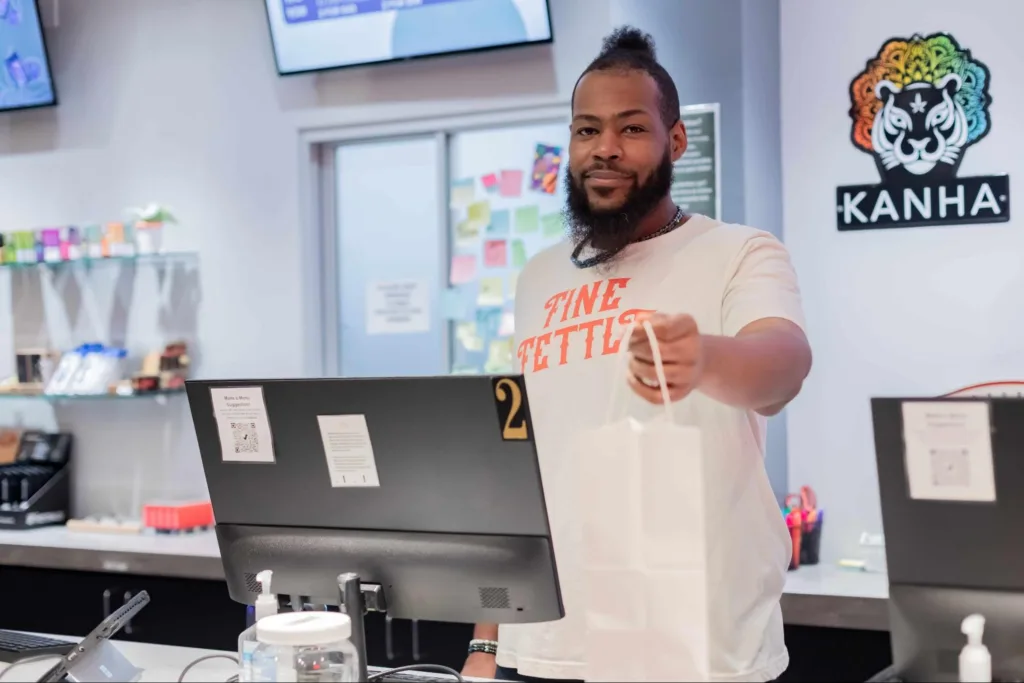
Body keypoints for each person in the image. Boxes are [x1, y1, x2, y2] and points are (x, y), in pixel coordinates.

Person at [463, 26, 811, 683]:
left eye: (631, 129)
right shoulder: (539, 276)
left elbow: (785, 364)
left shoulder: (736, 251)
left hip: (692, 647)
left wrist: (707, 358)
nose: (605, 150)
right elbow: (522, 462)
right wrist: (486, 642)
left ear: (675, 141)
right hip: (538, 644)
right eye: (587, 130)